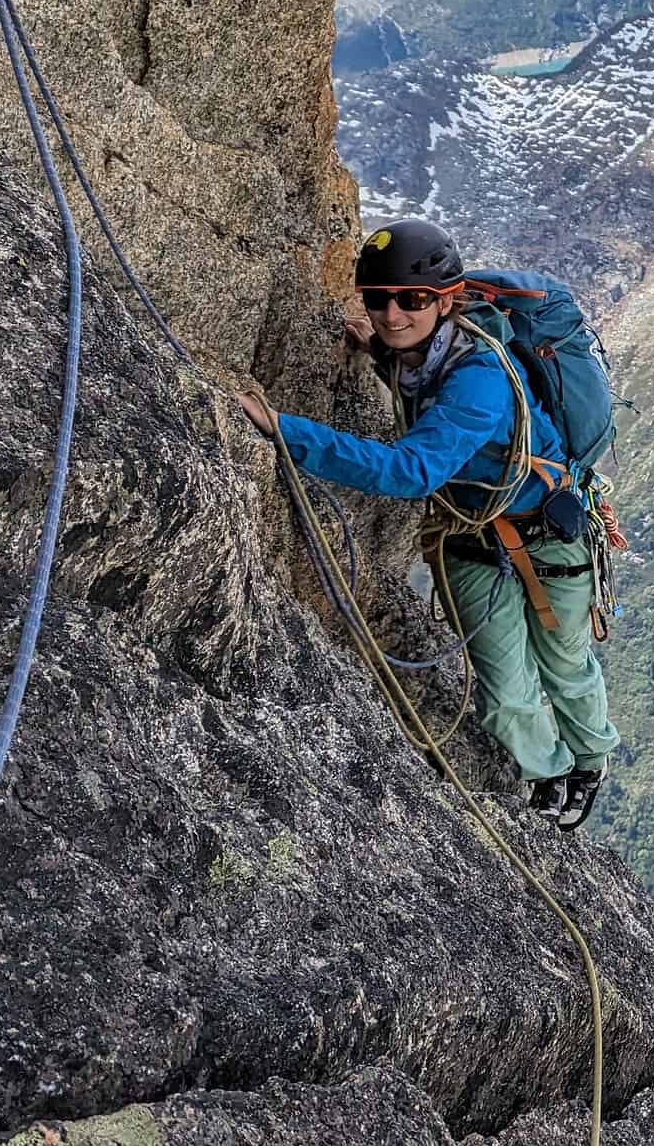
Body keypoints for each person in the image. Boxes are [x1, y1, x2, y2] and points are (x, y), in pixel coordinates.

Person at [239, 218, 617, 827]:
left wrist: (288, 431)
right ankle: (546, 774)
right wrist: (373, 347)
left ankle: (590, 760)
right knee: (502, 686)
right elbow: (412, 375)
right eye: (378, 299)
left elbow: (412, 470)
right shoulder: (417, 352)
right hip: (472, 534)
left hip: (547, 531)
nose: (392, 315)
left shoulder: (479, 378)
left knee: (565, 662)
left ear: (445, 302)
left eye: (411, 300)